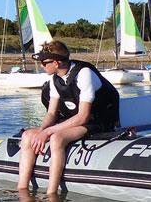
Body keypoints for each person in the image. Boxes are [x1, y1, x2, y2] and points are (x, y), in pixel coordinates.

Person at [18, 40, 120, 194]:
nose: (41, 66)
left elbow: (83, 117)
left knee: (56, 138)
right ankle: (22, 190)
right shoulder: (55, 80)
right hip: (75, 121)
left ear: (57, 63)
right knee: (27, 136)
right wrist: (41, 131)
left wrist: (48, 133)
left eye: (44, 63)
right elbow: (52, 113)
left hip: (97, 121)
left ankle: (51, 193)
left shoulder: (84, 74)